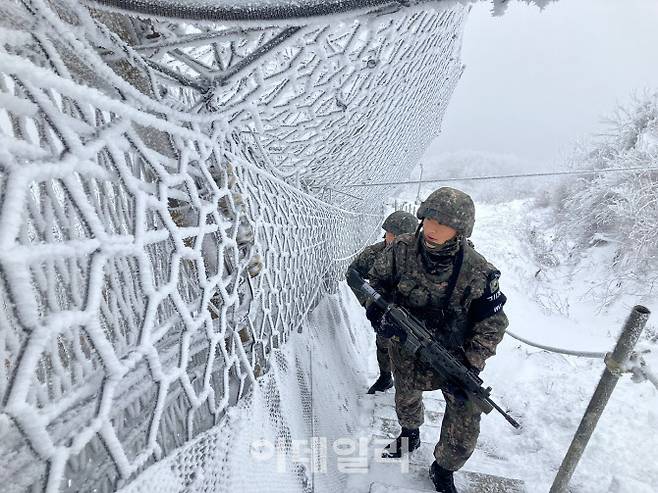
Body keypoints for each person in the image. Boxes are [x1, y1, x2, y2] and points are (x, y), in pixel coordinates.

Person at [365, 187, 508, 493]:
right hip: (407, 347)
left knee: (465, 422)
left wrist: (472, 360)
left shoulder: (478, 270)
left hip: (454, 356)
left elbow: (493, 323)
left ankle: (443, 468)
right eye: (429, 219)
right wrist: (380, 316)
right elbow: (374, 285)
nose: (433, 229)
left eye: (444, 225)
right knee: (406, 398)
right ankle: (410, 434)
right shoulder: (401, 250)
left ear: (460, 231)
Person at [347, 210, 418, 394]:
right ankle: (385, 377)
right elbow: (353, 275)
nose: (391, 239)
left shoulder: (418, 257)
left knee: (411, 354)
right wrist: (369, 302)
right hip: (386, 312)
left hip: (413, 316)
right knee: (383, 344)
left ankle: (409, 390)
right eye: (389, 234)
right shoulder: (375, 253)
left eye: (397, 236)